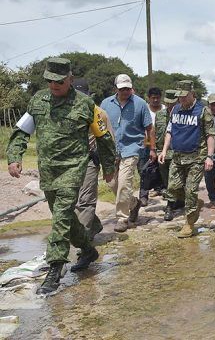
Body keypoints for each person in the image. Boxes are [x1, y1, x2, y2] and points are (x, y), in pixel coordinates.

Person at [6, 58, 117, 294]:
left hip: (74, 168)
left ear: (70, 80)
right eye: (50, 81)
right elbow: (21, 131)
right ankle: (88, 249)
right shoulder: (38, 100)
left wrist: (109, 167)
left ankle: (54, 269)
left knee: (61, 216)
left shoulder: (86, 104)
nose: (54, 86)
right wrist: (15, 156)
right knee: (64, 216)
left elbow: (103, 137)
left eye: (59, 81)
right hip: (48, 169)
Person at [158, 80, 215, 238]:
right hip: (177, 156)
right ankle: (194, 203)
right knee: (172, 188)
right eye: (179, 97)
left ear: (193, 94)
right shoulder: (175, 109)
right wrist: (164, 150)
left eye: (184, 96)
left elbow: (210, 135)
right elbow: (170, 131)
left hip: (197, 157)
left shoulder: (203, 111)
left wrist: (210, 157)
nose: (181, 99)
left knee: (190, 190)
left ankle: (189, 223)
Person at [100, 74, 155, 232]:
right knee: (112, 184)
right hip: (111, 150)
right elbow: (99, 126)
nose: (125, 91)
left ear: (131, 88)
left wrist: (152, 148)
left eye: (127, 88)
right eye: (122, 88)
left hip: (132, 148)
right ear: (115, 89)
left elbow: (149, 128)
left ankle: (122, 219)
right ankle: (134, 203)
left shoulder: (140, 104)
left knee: (124, 184)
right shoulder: (106, 104)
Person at [73, 79, 115, 241]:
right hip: (68, 164)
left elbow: (108, 140)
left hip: (89, 161)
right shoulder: (65, 111)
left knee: (85, 201)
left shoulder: (98, 113)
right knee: (71, 202)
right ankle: (94, 224)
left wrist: (109, 167)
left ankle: (84, 242)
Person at [155, 89, 180, 221]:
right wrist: (153, 150)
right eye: (168, 104)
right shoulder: (159, 115)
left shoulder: (182, 116)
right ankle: (177, 200)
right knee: (166, 181)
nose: (170, 106)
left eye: (173, 104)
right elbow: (155, 134)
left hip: (177, 153)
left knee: (173, 181)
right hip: (162, 154)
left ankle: (169, 207)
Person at [139, 87, 164, 206]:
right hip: (145, 144)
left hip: (161, 145)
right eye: (153, 98)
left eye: (157, 98)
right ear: (148, 98)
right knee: (144, 170)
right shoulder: (144, 109)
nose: (155, 100)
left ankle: (162, 189)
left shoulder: (165, 109)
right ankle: (143, 196)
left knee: (162, 169)